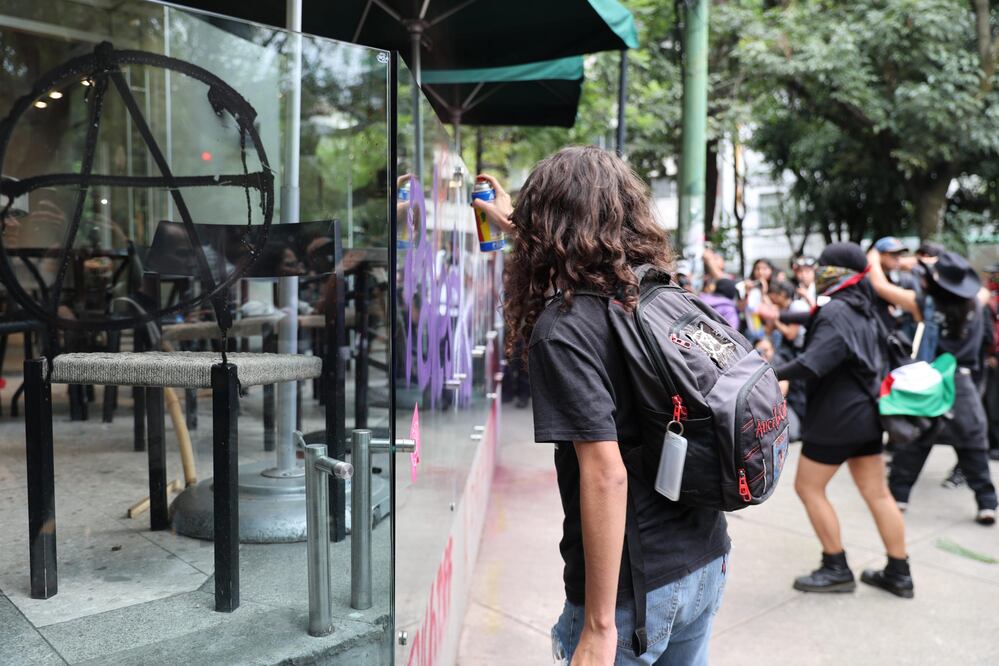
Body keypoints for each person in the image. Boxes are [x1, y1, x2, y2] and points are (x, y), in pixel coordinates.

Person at [480, 147, 729, 665]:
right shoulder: (659, 293)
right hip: (704, 558)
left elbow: (605, 476)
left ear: (546, 226)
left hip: (632, 598)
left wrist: (597, 627)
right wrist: (506, 215)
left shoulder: (564, 329)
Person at [773, 243, 913, 598]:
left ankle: (835, 567)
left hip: (837, 419)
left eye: (824, 265)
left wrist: (768, 371)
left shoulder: (836, 310)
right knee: (879, 494)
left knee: (808, 488)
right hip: (867, 416)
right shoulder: (865, 309)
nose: (818, 270)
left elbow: (811, 363)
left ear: (838, 272)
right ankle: (899, 573)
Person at [867, 248, 998, 526]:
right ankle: (987, 503)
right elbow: (978, 286)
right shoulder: (976, 303)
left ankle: (899, 496)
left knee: (918, 436)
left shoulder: (925, 304)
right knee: (972, 441)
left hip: (931, 382)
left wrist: (874, 255)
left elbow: (880, 285)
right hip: (961, 382)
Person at [741, 258, 774, 342]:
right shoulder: (749, 287)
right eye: (757, 268)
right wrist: (747, 292)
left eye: (764, 269)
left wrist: (764, 293)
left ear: (771, 270)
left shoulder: (776, 288)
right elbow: (742, 308)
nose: (760, 272)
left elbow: (773, 311)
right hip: (753, 329)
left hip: (772, 332)